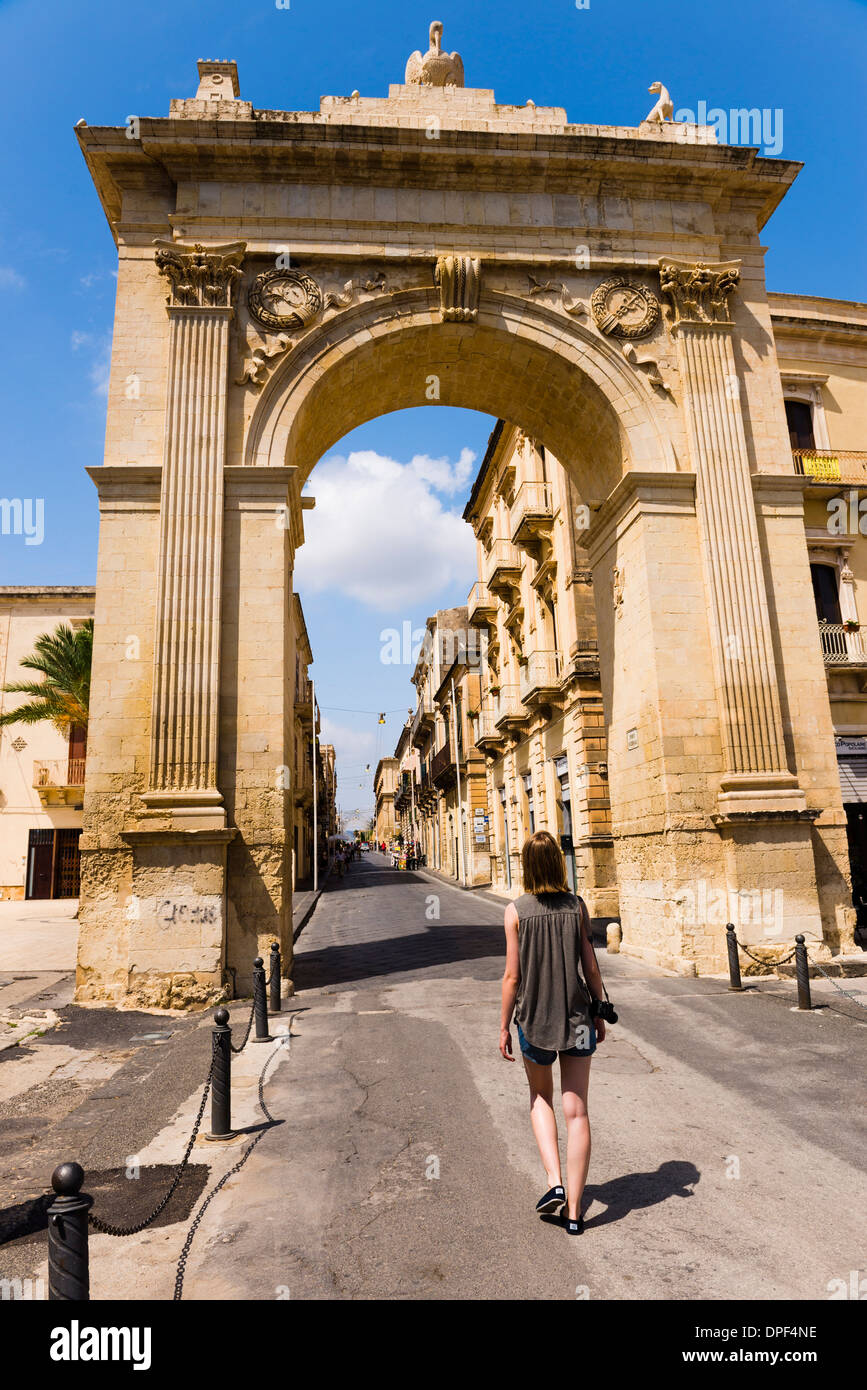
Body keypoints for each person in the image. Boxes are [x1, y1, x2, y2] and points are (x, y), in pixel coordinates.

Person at [499, 830, 609, 1235]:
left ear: (527, 866)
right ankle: (576, 1214)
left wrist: (503, 1027)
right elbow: (591, 968)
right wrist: (598, 1012)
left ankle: (555, 1182)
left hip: (533, 1021)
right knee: (577, 1110)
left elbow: (512, 976)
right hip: (578, 1020)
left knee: (540, 1097)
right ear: (559, 864)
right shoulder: (577, 907)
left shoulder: (515, 912)